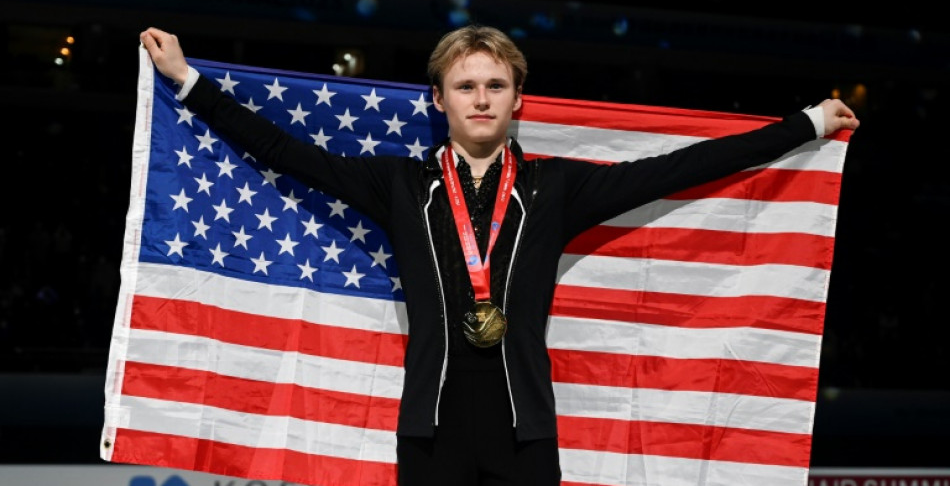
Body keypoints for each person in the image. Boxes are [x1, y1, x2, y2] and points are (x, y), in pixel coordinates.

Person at [139, 24, 860, 486]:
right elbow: (284, 151)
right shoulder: (399, 186)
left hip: (525, 430)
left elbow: (683, 167)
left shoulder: (557, 188)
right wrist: (187, 81)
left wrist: (805, 124)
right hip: (430, 430)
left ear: (518, 99)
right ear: (439, 99)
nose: (480, 99)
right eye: (465, 86)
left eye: (495, 86)